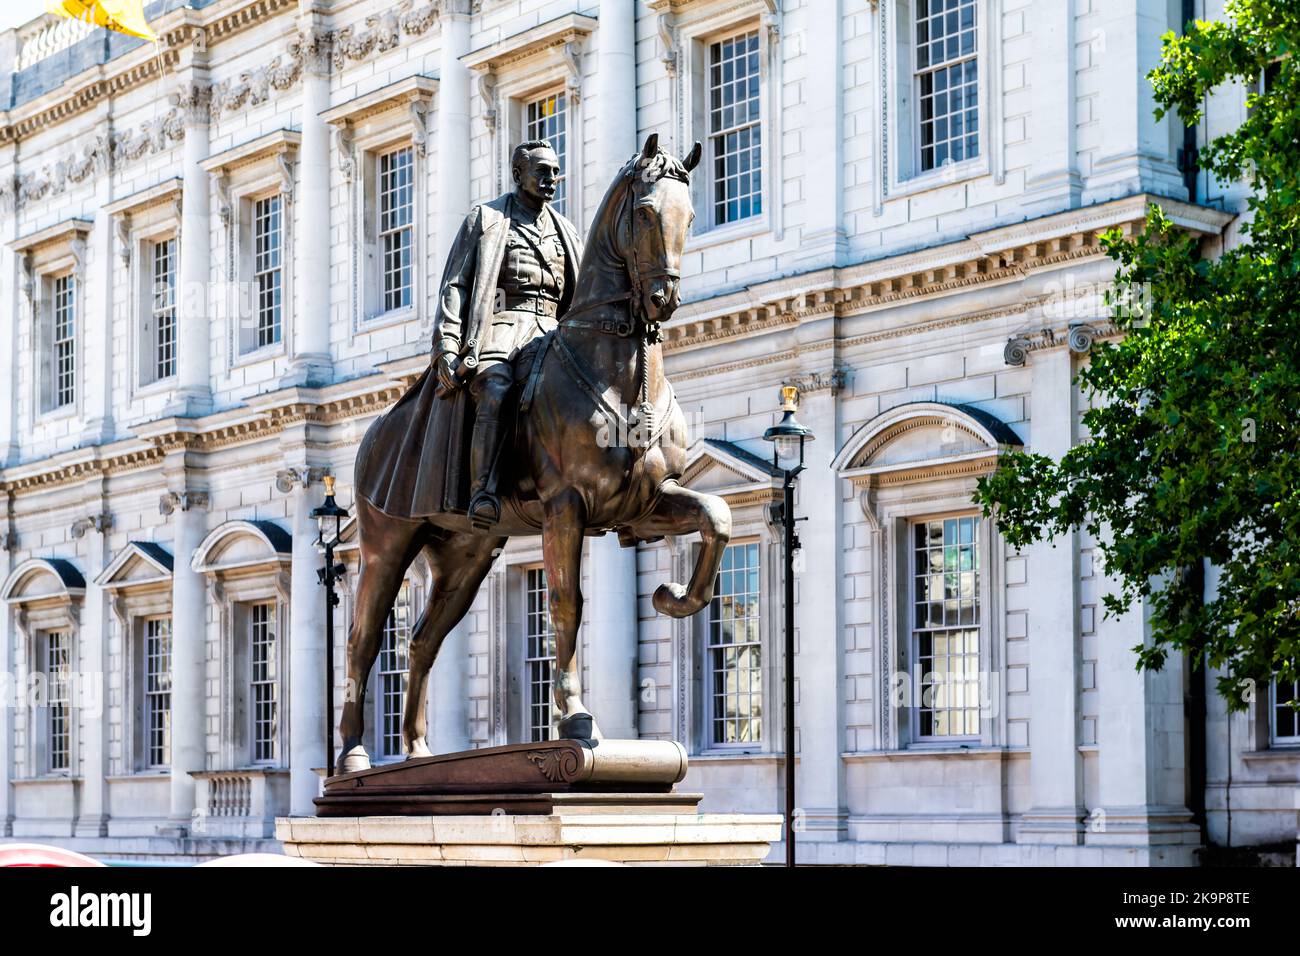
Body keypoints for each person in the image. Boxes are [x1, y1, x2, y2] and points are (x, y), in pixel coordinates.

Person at [432, 140, 583, 528]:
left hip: (552, 330)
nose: (552, 179)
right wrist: (448, 345)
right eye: (543, 171)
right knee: (496, 389)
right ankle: (485, 491)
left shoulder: (566, 230)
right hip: (502, 326)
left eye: (555, 171)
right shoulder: (487, 219)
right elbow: (455, 285)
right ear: (518, 174)